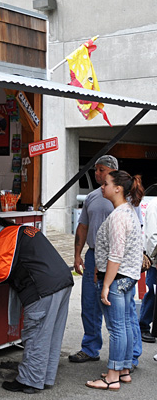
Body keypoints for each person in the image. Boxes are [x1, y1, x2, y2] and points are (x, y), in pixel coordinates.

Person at [0, 219, 73, 393]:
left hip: (42, 289)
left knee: (36, 335)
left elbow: (2, 273)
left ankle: (29, 381)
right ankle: (45, 378)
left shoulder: (4, 236)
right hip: (62, 282)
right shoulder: (22, 230)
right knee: (51, 335)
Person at [69, 155, 142, 366]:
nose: (96, 174)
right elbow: (82, 226)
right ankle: (91, 348)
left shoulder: (126, 202)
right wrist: (77, 255)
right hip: (94, 256)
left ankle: (130, 356)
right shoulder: (92, 196)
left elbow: (130, 238)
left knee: (123, 313)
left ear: (113, 174)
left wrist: (109, 279)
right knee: (90, 304)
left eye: (101, 170)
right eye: (95, 170)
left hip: (118, 262)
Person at [85, 170, 144, 390]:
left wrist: (106, 284)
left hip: (118, 278)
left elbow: (116, 254)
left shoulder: (119, 215)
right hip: (127, 276)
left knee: (117, 327)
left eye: (106, 183)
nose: (102, 186)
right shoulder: (128, 211)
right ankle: (124, 369)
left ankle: (112, 377)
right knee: (126, 323)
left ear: (118, 188)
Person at [142, 198, 157, 343]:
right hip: (155, 260)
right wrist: (154, 258)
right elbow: (153, 236)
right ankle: (143, 326)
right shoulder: (155, 205)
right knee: (153, 292)